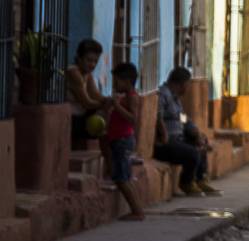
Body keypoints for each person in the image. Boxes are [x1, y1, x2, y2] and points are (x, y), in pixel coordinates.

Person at [154, 67, 220, 196]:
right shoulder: (164, 93)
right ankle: (186, 182)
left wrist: (197, 133)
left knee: (201, 141)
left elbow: (184, 118)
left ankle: (200, 179)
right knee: (193, 153)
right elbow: (158, 115)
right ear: (183, 83)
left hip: (180, 137)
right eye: (188, 84)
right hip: (167, 141)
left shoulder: (175, 99)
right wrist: (164, 133)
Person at [105, 62, 146, 221]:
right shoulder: (126, 97)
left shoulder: (132, 97)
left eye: (117, 82)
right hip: (119, 140)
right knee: (123, 178)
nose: (115, 85)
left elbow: (132, 118)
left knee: (122, 179)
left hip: (123, 141)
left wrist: (116, 105)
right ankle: (137, 210)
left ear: (127, 81)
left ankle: (137, 211)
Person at [65, 39, 111, 148]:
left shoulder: (87, 73)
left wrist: (111, 101)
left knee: (109, 116)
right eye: (89, 60)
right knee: (105, 120)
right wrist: (106, 104)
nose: (93, 64)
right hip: (70, 119)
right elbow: (87, 103)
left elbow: (95, 95)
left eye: (96, 61)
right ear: (79, 58)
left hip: (81, 116)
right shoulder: (73, 72)